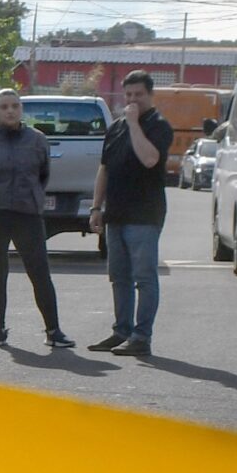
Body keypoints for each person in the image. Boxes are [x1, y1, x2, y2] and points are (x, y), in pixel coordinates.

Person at [0, 87, 72, 349]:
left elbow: (43, 175)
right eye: (4, 107)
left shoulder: (37, 140)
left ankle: (53, 331)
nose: (10, 111)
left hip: (27, 214)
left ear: (21, 110)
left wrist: (30, 196)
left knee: (39, 272)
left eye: (15, 106)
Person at [88, 70, 174, 357]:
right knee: (119, 277)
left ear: (150, 95)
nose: (133, 100)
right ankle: (121, 331)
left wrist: (135, 123)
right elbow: (104, 169)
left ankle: (141, 337)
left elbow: (150, 159)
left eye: (139, 94)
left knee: (144, 278)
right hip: (116, 213)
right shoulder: (115, 127)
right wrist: (96, 207)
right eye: (128, 95)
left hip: (144, 215)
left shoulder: (159, 126)